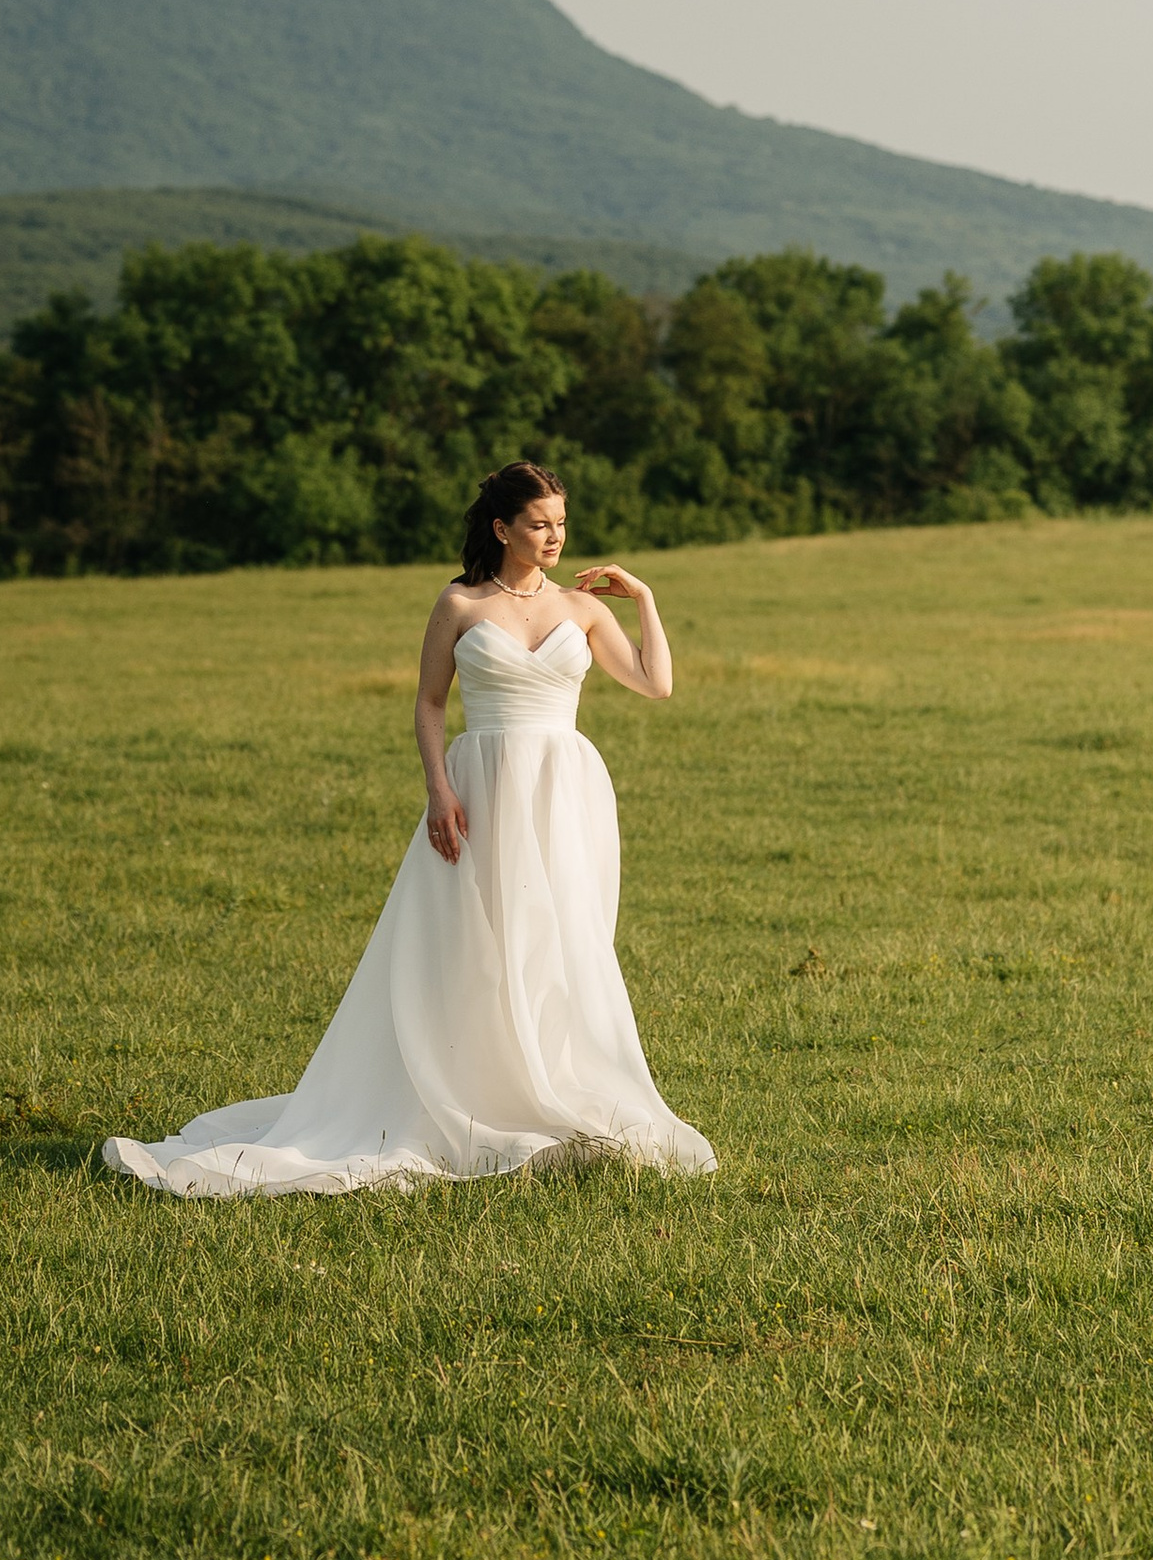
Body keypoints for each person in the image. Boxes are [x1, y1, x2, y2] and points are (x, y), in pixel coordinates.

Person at [102, 459, 714, 1199]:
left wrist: (643, 596)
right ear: (502, 528)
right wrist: (438, 788)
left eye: (560, 523)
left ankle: (551, 1083)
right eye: (538, 523)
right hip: (480, 786)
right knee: (473, 939)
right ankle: (466, 1089)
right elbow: (429, 705)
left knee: (559, 941)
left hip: (564, 791)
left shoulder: (584, 611)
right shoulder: (459, 602)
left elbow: (657, 683)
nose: (553, 536)